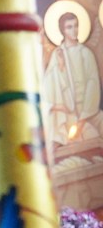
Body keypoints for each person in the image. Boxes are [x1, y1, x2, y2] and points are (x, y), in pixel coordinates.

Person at [42, 10, 103, 145]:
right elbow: (50, 86)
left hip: (88, 112)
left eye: (76, 26)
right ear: (62, 31)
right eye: (69, 27)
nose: (74, 30)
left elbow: (93, 84)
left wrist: (83, 118)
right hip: (68, 113)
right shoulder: (57, 54)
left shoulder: (86, 53)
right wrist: (61, 67)